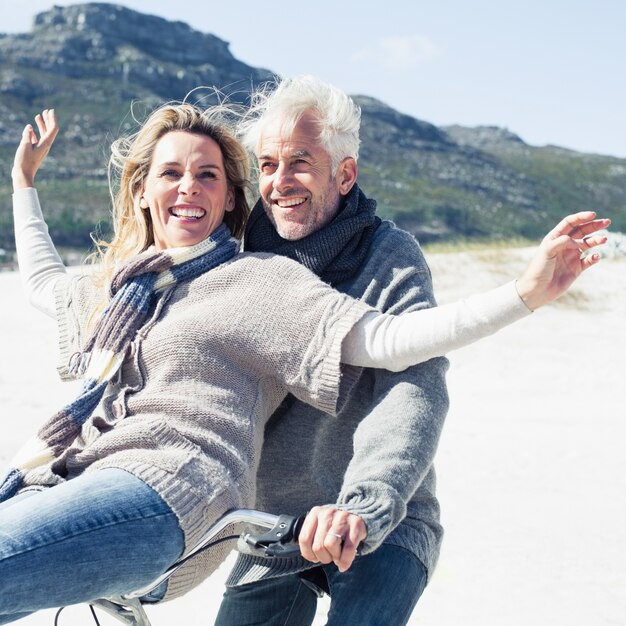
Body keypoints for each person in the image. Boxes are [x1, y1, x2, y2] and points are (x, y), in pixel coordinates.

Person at [0, 103, 606, 624]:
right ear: (142, 189)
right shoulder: (124, 287)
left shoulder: (266, 278)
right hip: (261, 517)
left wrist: (525, 292)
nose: (190, 186)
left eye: (208, 174)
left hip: (278, 502)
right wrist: (23, 181)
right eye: (173, 172)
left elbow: (404, 357)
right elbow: (45, 282)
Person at [215, 76, 610, 626]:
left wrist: (366, 506)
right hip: (276, 525)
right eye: (267, 165)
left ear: (345, 173)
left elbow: (413, 389)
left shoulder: (390, 256)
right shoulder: (238, 262)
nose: (280, 182)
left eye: (301, 162)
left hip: (382, 516)